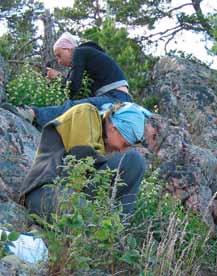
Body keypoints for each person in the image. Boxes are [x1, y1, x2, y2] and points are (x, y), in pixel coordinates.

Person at [19, 102, 162, 219]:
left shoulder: (107, 144)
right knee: (94, 222)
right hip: (45, 191)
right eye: (125, 144)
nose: (122, 150)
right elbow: (77, 165)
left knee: (135, 163)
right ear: (113, 128)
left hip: (74, 197)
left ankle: (118, 229)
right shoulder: (86, 114)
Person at [16, 32, 132, 128]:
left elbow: (73, 89)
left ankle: (33, 113)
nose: (58, 61)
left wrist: (58, 78)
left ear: (68, 49)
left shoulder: (79, 52)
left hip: (115, 97)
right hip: (119, 97)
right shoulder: (90, 57)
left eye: (59, 55)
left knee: (76, 107)